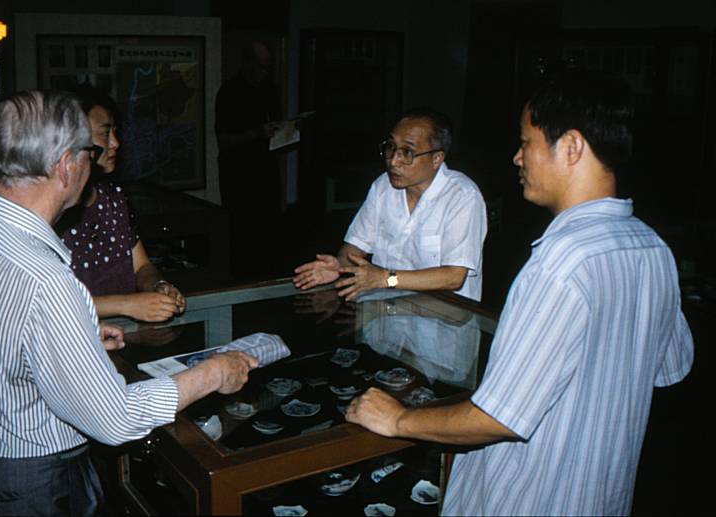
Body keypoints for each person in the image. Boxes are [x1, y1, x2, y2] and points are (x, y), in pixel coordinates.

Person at [345, 71, 694, 516]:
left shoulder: (559, 262)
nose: (516, 157)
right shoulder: (652, 248)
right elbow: (669, 368)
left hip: (529, 496)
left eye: (526, 142)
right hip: (603, 493)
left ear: (570, 147)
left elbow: (498, 416)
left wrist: (397, 419)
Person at [0, 90, 258, 516]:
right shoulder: (46, 280)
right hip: (29, 479)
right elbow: (114, 420)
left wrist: (62, 341)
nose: (94, 159)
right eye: (89, 150)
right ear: (66, 165)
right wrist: (212, 373)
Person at [293, 108, 487, 302]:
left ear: (436, 159)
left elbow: (453, 277)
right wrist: (340, 266)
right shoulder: (383, 187)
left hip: (443, 320)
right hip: (385, 316)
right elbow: (354, 248)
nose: (394, 161)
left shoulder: (462, 196)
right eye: (391, 147)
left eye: (408, 152)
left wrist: (385, 278)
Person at [57, 84, 184, 323]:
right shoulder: (55, 207)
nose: (115, 143)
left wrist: (158, 285)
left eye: (115, 131)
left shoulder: (113, 199)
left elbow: (142, 267)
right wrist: (128, 304)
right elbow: (52, 300)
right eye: (105, 133)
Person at [215, 41, 284, 280]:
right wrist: (257, 133)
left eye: (268, 67)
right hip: (239, 173)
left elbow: (277, 124)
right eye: (261, 67)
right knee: (240, 232)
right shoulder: (229, 92)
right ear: (247, 64)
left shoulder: (270, 90)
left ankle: (266, 277)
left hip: (266, 169)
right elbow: (223, 139)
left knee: (268, 228)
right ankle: (241, 280)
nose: (264, 73)